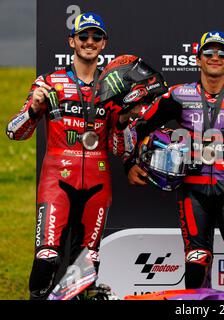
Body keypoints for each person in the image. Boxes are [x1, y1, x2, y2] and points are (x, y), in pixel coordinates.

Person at [122, 31, 224, 300]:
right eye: (208, 53)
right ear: (198, 59)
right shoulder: (178, 95)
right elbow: (138, 126)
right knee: (195, 269)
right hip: (192, 190)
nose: (215, 57)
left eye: (221, 53)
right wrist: (129, 163)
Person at [6, 12, 133, 300]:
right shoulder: (49, 82)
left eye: (95, 37)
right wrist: (32, 109)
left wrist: (125, 119)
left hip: (98, 184)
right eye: (83, 36)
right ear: (71, 41)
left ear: (104, 44)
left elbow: (119, 148)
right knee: (47, 259)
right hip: (57, 180)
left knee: (84, 269)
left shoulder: (113, 88)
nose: (89, 42)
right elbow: (14, 133)